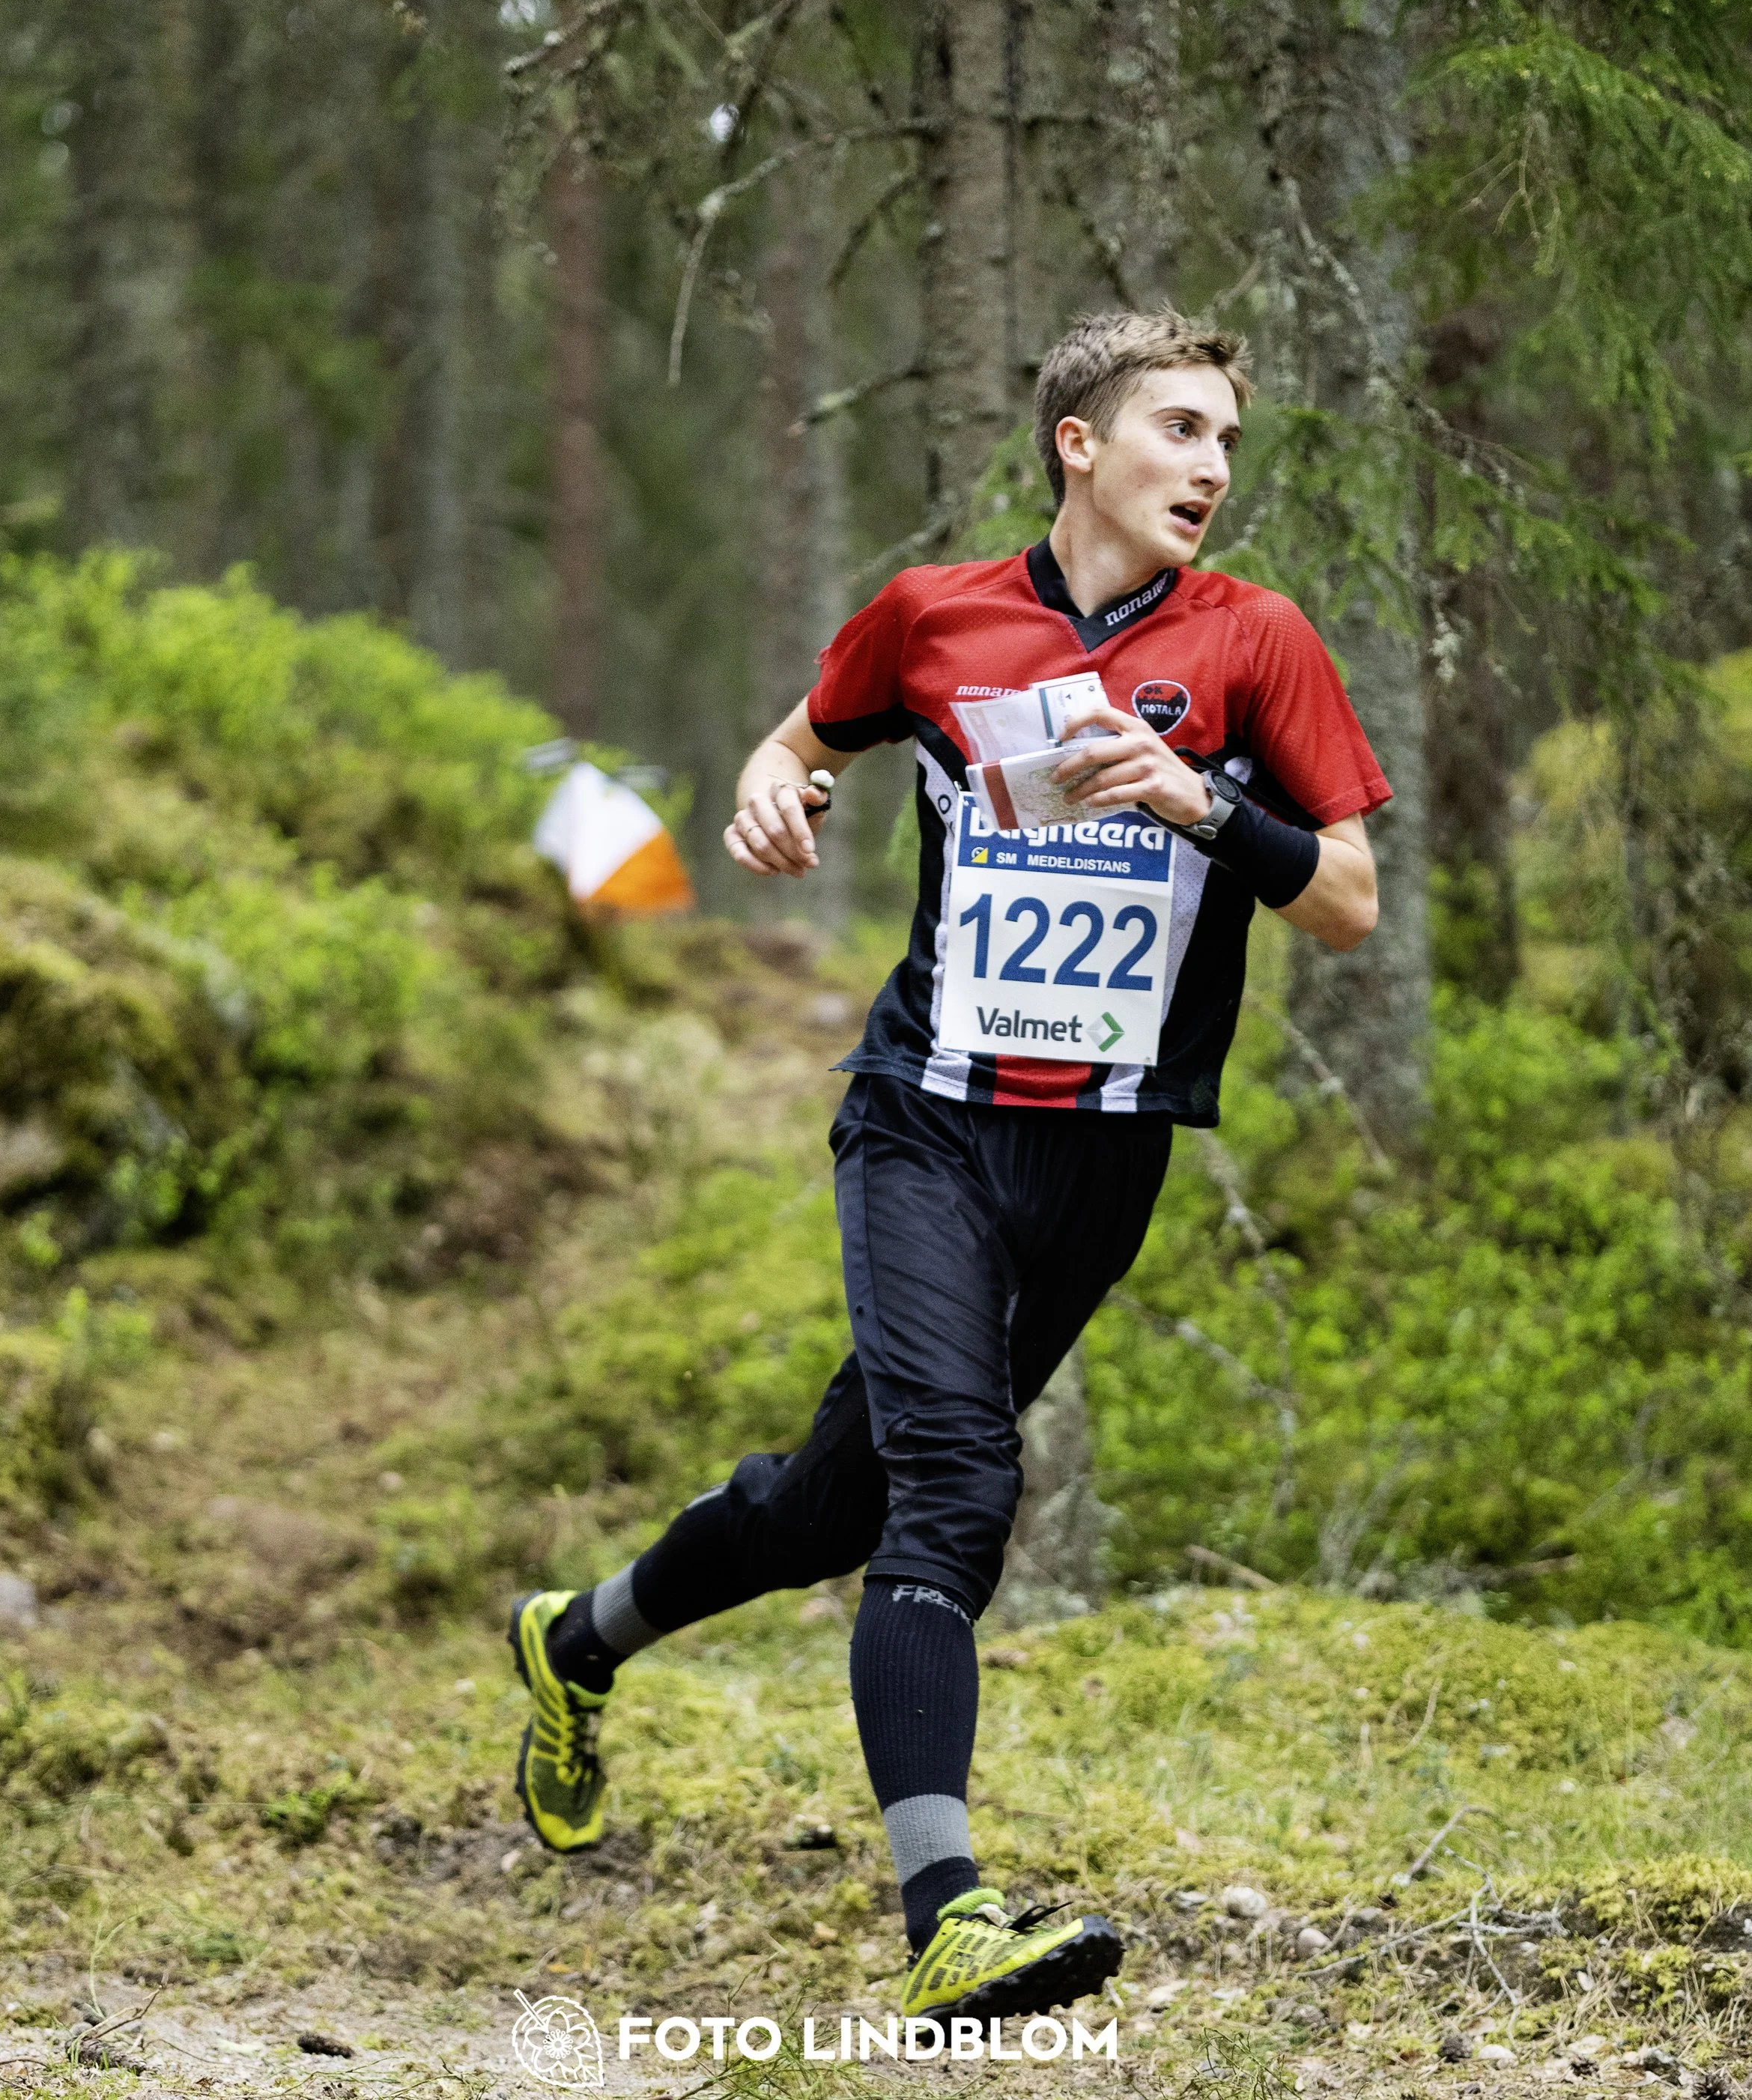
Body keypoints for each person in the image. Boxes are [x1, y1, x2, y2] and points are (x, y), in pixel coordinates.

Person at [509, 307, 1389, 2024]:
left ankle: (578, 1637)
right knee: (954, 1491)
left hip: (1104, 1155)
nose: (1210, 467)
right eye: (1179, 430)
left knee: (825, 1503)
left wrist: (1202, 803)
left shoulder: (1252, 641)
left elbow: (1344, 902)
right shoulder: (933, 615)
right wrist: (774, 795)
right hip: (921, 1112)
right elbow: (797, 742)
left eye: (1225, 440)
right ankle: (947, 1911)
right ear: (1080, 442)